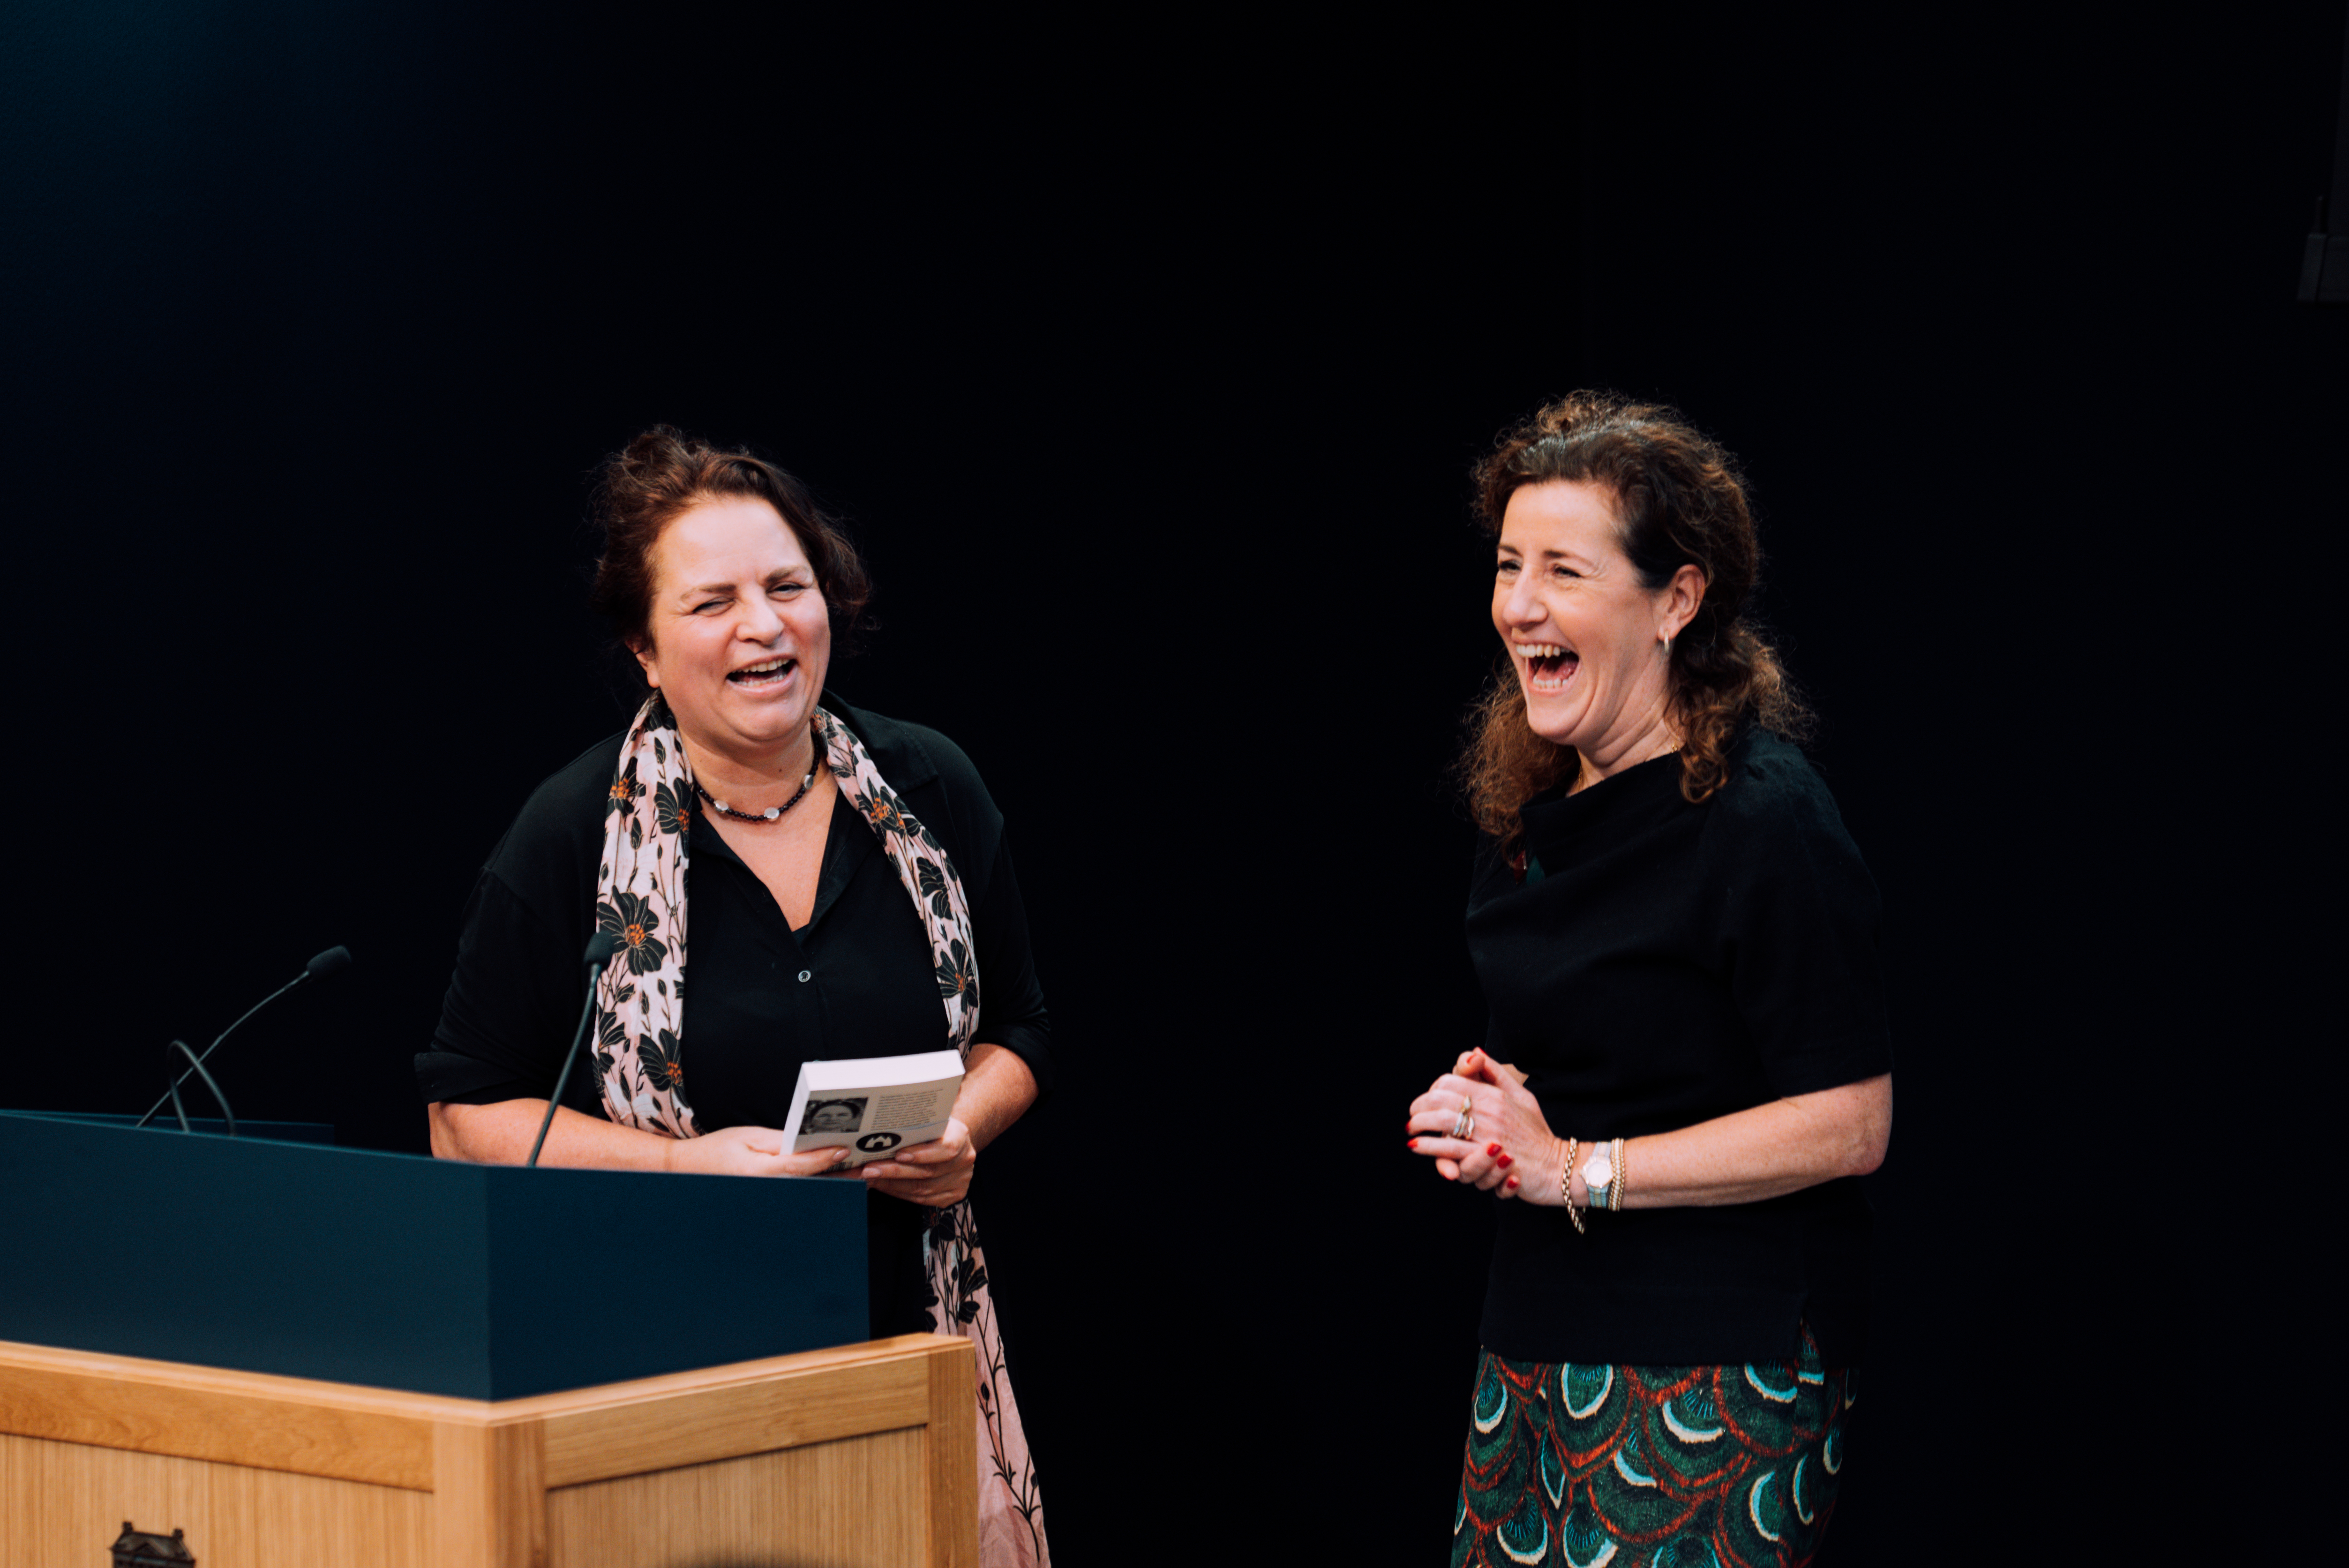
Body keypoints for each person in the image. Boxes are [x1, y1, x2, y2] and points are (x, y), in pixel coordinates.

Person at [415, 426, 1051, 1568]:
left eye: (786, 586)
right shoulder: (570, 836)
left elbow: (1019, 1029)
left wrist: (964, 1128)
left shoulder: (927, 786)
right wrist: (680, 1164)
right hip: (658, 1378)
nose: (762, 625)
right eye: (713, 602)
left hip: (906, 1358)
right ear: (644, 649)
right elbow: (463, 1120)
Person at [1407, 394, 1893, 1568]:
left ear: (1676, 599)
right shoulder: (1527, 814)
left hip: (1717, 1355)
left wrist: (1577, 1166)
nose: (1519, 602)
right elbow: (1599, 1059)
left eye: (1564, 570)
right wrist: (1498, 1116)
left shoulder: (1765, 820)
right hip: (1534, 1333)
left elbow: (1851, 1122)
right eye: (1509, 563)